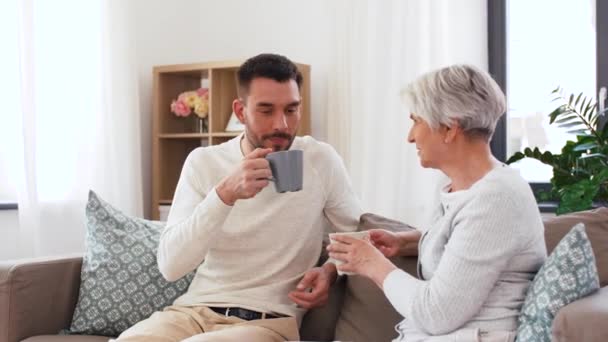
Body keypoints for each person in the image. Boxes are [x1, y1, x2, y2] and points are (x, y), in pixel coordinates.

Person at [116, 53, 362, 342]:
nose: (281, 125)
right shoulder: (204, 163)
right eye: (266, 111)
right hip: (191, 314)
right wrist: (224, 195)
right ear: (241, 110)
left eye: (291, 110)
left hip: (267, 323)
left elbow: (357, 231)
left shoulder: (320, 160)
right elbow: (171, 266)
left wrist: (330, 271)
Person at [327, 64, 547, 342]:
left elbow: (436, 314)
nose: (410, 136)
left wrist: (372, 263)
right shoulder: (463, 189)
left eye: (416, 120)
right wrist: (404, 242)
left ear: (449, 127)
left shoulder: (497, 198)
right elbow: (469, 241)